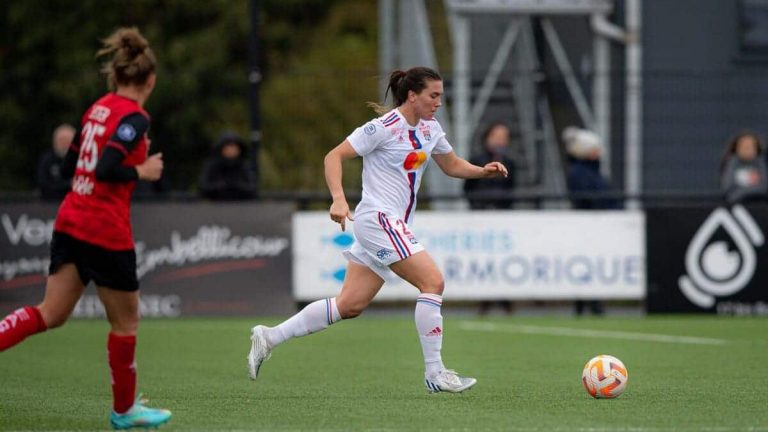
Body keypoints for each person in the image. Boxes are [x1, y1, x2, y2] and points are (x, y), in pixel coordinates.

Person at [247, 67, 508, 393]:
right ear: (412, 95)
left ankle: (269, 336)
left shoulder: (430, 128)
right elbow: (334, 156)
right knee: (433, 281)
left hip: (388, 225)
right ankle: (435, 373)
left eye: (440, 95)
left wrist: (482, 171)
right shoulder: (382, 128)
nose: (439, 102)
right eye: (434, 95)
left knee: (349, 305)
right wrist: (339, 200)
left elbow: (451, 164)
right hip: (379, 219)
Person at [0, 27, 171, 429]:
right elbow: (107, 167)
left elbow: (69, 165)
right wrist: (142, 170)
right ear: (150, 80)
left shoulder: (97, 108)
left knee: (51, 312)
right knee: (126, 323)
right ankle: (125, 411)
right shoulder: (135, 118)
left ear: (116, 76)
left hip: (70, 220)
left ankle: (126, 407)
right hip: (103, 230)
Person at [563, 126, 619, 316]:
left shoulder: (593, 171)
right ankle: (586, 305)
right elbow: (588, 197)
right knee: (585, 265)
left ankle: (591, 304)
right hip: (587, 226)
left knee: (593, 264)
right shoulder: (578, 172)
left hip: (598, 225)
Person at [463, 122, 517, 210]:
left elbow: (511, 187)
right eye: (496, 137)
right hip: (479, 209)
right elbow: (468, 187)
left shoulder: (510, 162)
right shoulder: (477, 160)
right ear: (487, 137)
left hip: (502, 210)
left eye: (503, 138)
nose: (499, 141)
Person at [198, 131, 257, 200]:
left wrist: (236, 186)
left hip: (241, 207)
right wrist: (221, 187)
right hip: (216, 207)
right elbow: (203, 188)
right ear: (221, 149)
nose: (231, 150)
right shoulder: (212, 167)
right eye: (228, 147)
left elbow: (252, 189)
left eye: (234, 147)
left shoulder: (244, 167)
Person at [720, 130, 767, 204]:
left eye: (750, 146)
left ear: (757, 148)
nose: (747, 149)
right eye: (743, 146)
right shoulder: (732, 162)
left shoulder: (762, 162)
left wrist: (740, 192)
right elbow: (727, 189)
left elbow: (764, 188)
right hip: (736, 206)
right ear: (736, 148)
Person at [37, 124, 77, 201]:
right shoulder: (47, 159)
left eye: (67, 140)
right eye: (61, 140)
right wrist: (68, 185)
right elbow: (43, 183)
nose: (64, 144)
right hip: (50, 203)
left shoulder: (80, 160)